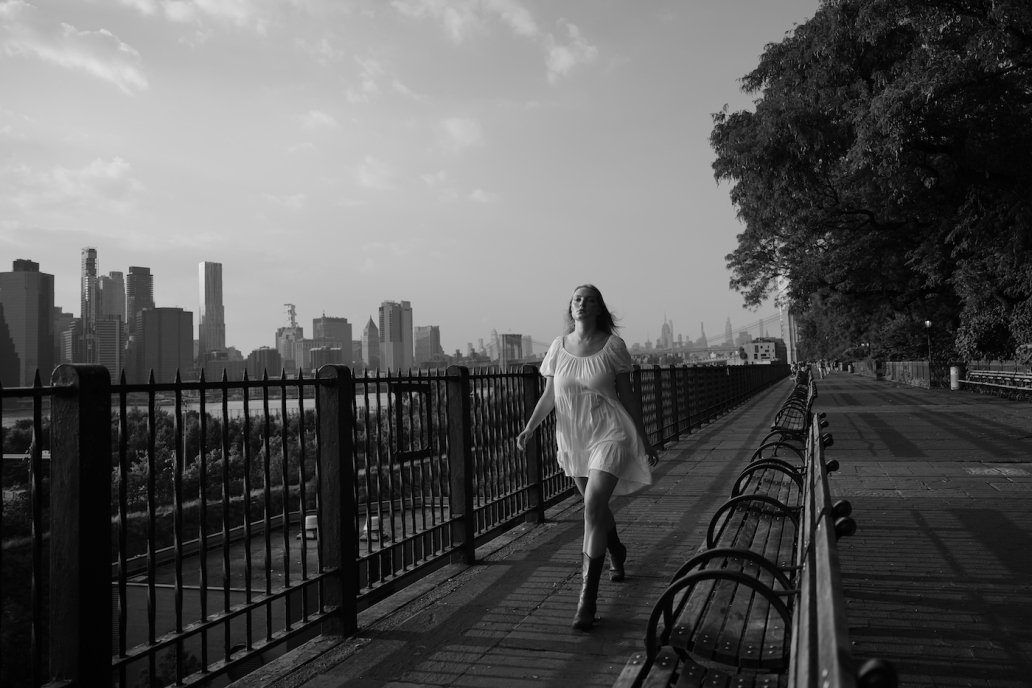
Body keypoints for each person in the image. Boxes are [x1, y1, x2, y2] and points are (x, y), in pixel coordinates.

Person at [516, 284, 659, 631]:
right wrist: (530, 427)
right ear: (571, 307)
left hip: (610, 432)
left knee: (593, 505)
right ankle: (616, 550)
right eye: (577, 299)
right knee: (596, 508)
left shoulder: (613, 347)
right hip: (573, 437)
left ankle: (587, 601)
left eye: (590, 300)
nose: (582, 304)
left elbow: (628, 395)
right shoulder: (557, 347)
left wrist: (644, 438)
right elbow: (550, 395)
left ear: (599, 309)